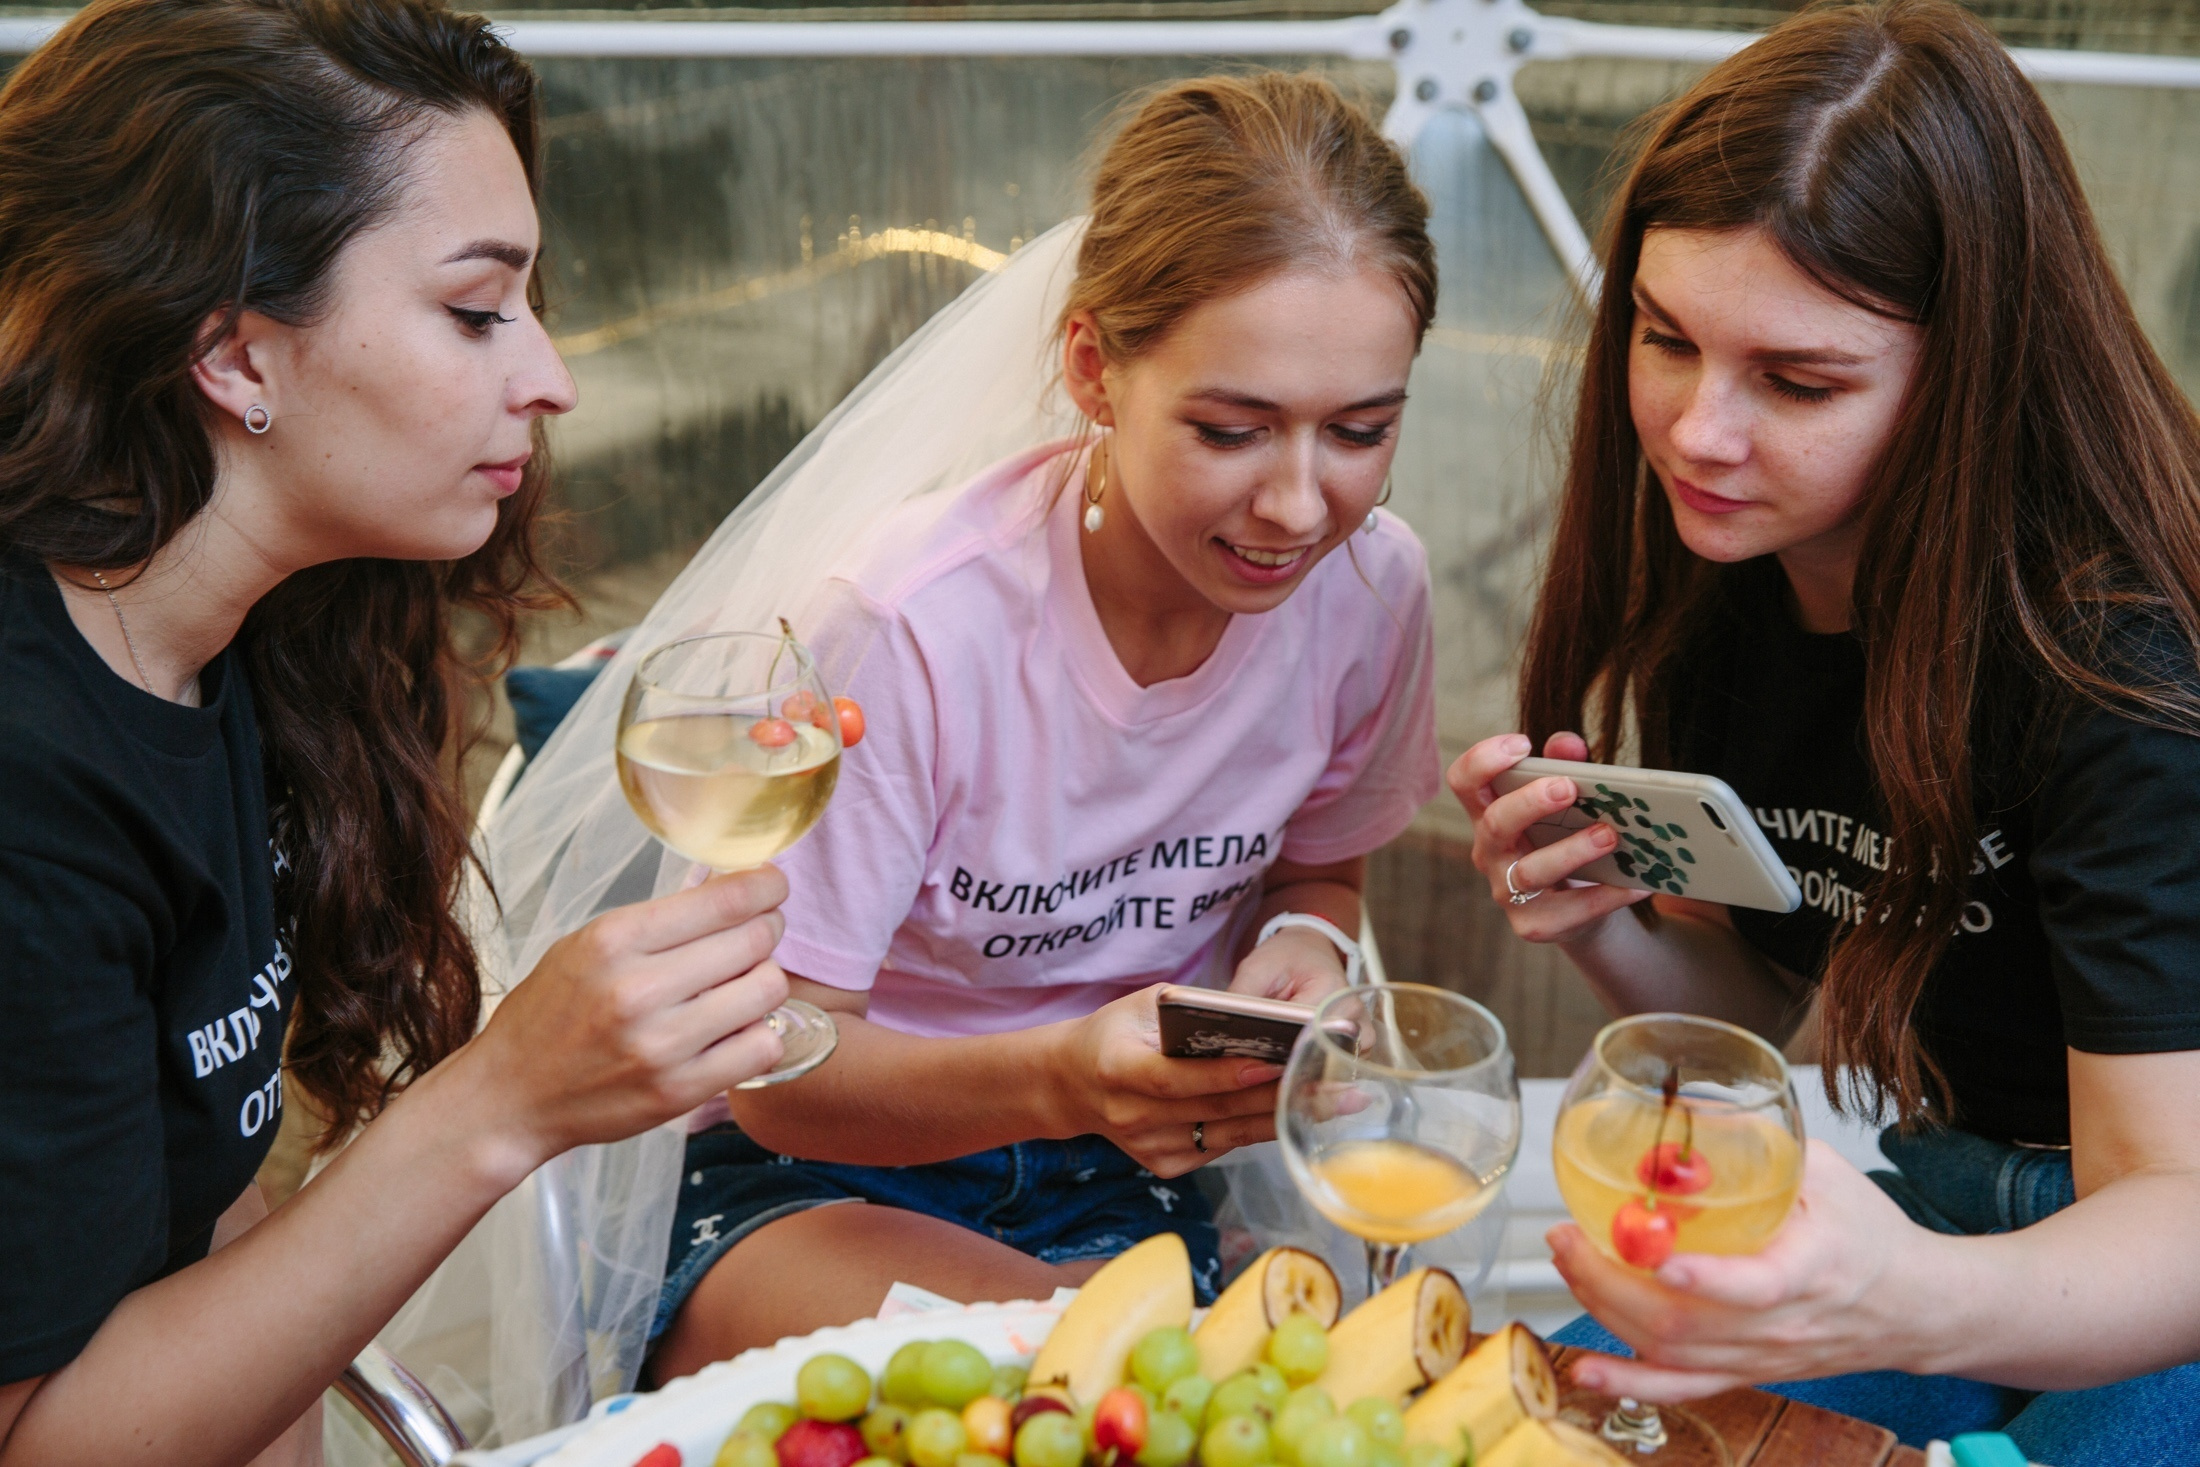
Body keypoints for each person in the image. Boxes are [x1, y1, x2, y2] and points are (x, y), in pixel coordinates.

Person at [0, 1, 795, 1462]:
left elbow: (203, 1215)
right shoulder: (29, 780)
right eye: (477, 311)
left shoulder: (216, 648)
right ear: (236, 360)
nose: (549, 378)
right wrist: (501, 1103)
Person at [564, 73, 1441, 1376]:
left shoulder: (1370, 592)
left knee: (1142, 1410)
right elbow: (772, 1072)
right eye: (1230, 429)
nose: (1301, 507)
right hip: (815, 1175)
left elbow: (1321, 864)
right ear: (1094, 369)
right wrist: (1072, 1076)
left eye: (1361, 432)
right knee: (1050, 1387)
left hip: (1115, 1176)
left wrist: (1308, 945)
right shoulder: (914, 623)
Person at [1448, 1, 2200, 1460]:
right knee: (1534, 1426)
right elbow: (1773, 997)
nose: (1695, 432)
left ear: (1973, 376)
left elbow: (2169, 1215)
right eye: (1665, 340)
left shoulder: (2121, 667)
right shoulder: (1737, 571)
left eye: (1799, 383)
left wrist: (1898, 1300)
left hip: (2144, 1251)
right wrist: (1603, 914)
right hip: (1944, 1192)